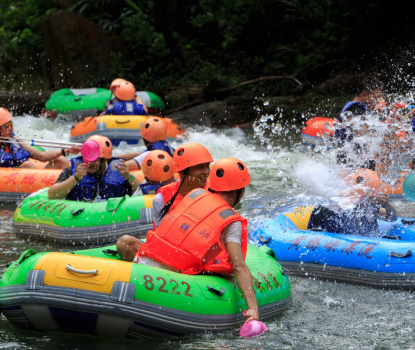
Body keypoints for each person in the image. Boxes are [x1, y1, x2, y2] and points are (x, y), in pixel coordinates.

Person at [115, 158, 259, 324]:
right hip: (170, 282)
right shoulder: (231, 220)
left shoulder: (194, 195)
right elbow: (239, 266)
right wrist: (253, 309)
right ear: (240, 191)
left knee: (126, 241)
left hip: (142, 264)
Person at [0, 108, 77, 169]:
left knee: (60, 160)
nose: (11, 128)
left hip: (28, 178)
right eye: (7, 126)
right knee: (27, 165)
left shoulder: (14, 140)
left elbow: (41, 156)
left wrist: (65, 150)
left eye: (11, 125)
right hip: (4, 181)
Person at [48, 135, 141, 202]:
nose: (89, 162)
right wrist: (75, 178)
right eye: (86, 156)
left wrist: (129, 177)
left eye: (94, 158)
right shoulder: (71, 171)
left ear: (105, 160)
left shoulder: (119, 173)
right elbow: (51, 195)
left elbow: (141, 194)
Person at [307, 169, 398, 236]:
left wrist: (386, 204)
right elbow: (311, 236)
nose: (372, 199)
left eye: (372, 196)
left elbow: (392, 217)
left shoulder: (369, 206)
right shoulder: (329, 208)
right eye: (369, 196)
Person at [334, 76, 385, 169]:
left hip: (346, 161)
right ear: (363, 95)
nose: (378, 102)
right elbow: (361, 133)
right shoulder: (356, 108)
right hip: (353, 164)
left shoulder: (353, 106)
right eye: (376, 98)